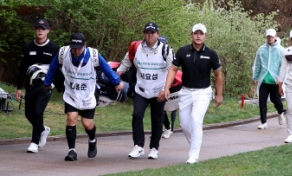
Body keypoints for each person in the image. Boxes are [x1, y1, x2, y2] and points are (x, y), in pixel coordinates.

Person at [43, 33, 123, 161]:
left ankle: (92, 139)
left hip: (88, 94)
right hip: (71, 93)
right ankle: (72, 151)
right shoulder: (63, 53)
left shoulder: (94, 55)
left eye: (78, 48)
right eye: (73, 48)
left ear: (85, 45)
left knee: (87, 123)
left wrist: (116, 81)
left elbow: (106, 69)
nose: (75, 51)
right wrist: (46, 82)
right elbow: (52, 68)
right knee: (71, 118)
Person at [159, 23, 223, 164]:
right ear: (191, 35)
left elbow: (218, 74)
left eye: (201, 33)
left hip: (203, 93)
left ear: (205, 36)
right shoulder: (183, 51)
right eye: (196, 33)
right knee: (185, 125)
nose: (198, 36)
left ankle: (193, 155)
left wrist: (219, 94)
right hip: (185, 92)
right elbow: (173, 70)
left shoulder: (211, 54)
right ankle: (195, 145)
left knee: (196, 120)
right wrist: (167, 87)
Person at [127, 22, 173, 160]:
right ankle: (138, 146)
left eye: (152, 33)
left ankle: (154, 148)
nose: (149, 35)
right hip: (141, 89)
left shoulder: (166, 49)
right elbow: (126, 62)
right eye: (147, 32)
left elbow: (172, 70)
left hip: (158, 91)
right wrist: (117, 76)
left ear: (158, 34)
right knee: (137, 115)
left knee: (157, 119)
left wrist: (166, 89)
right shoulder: (137, 48)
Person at [15, 19, 60, 154]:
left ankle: (34, 142)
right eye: (38, 28)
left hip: (45, 85)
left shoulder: (54, 48)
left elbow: (58, 68)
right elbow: (23, 68)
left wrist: (55, 84)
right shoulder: (28, 47)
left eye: (43, 28)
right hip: (30, 85)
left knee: (37, 111)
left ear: (48, 30)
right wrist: (19, 87)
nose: (40, 30)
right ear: (34, 30)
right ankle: (42, 129)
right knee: (29, 113)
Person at [252, 29, 286, 130]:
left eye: (272, 36)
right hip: (264, 80)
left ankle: (280, 112)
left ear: (275, 36)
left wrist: (280, 79)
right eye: (268, 36)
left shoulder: (281, 50)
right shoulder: (261, 49)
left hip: (275, 81)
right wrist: (255, 77)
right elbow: (257, 64)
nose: (270, 38)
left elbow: (283, 66)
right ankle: (263, 122)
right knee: (262, 101)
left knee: (275, 100)